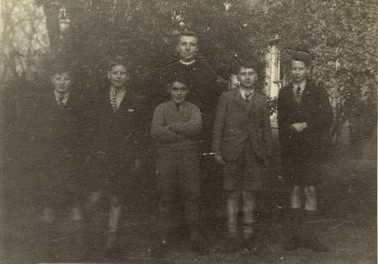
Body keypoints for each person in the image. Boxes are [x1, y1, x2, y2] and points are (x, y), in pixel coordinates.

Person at [85, 56, 146, 257]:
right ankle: (90, 241)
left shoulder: (136, 100)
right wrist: (92, 152)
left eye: (122, 73)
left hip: (123, 159)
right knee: (95, 198)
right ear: (108, 75)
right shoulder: (97, 98)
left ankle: (112, 245)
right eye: (115, 73)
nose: (118, 76)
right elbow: (90, 129)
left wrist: (136, 157)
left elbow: (139, 132)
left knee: (117, 199)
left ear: (127, 76)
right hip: (100, 157)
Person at [212, 61, 272, 252]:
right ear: (238, 78)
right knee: (232, 193)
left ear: (256, 77)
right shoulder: (227, 97)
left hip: (254, 153)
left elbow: (266, 129)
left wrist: (267, 152)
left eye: (251, 73)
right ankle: (232, 236)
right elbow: (219, 124)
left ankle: (248, 235)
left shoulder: (262, 100)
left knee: (249, 194)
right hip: (232, 151)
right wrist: (216, 150)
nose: (247, 77)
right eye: (243, 74)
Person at [277, 48, 333, 252]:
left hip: (311, 150)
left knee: (310, 190)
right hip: (292, 151)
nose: (296, 72)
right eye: (293, 68)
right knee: (294, 189)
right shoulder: (284, 92)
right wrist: (289, 133)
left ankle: (310, 237)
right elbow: (282, 123)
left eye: (301, 68)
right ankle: (293, 236)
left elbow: (327, 116)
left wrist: (306, 125)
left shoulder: (317, 89)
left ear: (308, 69)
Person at [30, 60, 86, 261]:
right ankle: (47, 249)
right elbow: (36, 133)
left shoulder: (78, 104)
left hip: (72, 162)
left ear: (72, 81)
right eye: (59, 78)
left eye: (67, 78)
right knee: (49, 203)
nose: (63, 82)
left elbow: (84, 133)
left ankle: (78, 252)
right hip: (50, 162)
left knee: (75, 203)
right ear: (52, 79)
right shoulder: (42, 103)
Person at [150, 79, 208, 257]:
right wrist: (182, 134)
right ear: (169, 90)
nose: (179, 93)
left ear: (187, 91)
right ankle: (162, 241)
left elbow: (196, 128)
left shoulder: (193, 108)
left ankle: (194, 239)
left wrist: (172, 127)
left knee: (191, 197)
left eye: (183, 89)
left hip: (188, 157)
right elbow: (156, 132)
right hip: (166, 157)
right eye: (175, 89)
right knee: (165, 198)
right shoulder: (161, 108)